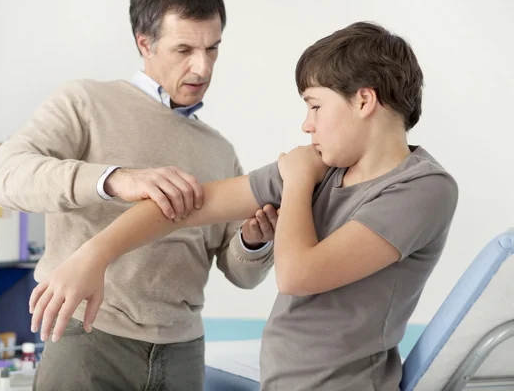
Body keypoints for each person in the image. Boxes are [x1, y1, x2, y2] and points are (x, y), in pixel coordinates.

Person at [29, 21, 459, 390]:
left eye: (314, 106)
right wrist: (93, 255)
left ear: (364, 101)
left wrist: (296, 184)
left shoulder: (421, 189)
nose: (305, 124)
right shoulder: (319, 166)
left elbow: (297, 275)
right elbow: (186, 206)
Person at [0, 0, 277, 390]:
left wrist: (253, 242)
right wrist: (115, 179)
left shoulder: (219, 149)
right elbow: (1, 177)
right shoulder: (84, 102)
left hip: (183, 352)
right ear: (145, 43)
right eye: (184, 49)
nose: (202, 66)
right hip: (89, 338)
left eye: (212, 48)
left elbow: (240, 274)